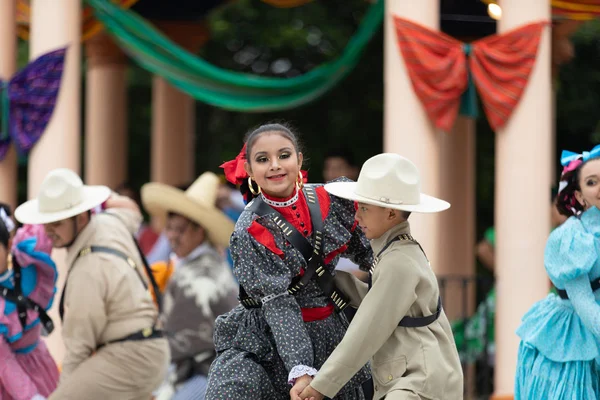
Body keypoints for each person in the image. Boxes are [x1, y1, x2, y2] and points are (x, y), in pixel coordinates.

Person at [206, 123, 373, 399]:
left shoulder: (333, 199)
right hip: (268, 339)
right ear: (249, 170)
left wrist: (399, 281)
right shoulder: (251, 228)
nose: (275, 165)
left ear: (299, 159)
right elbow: (278, 303)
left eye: (284, 155)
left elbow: (369, 251)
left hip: (330, 332)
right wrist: (301, 369)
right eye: (263, 159)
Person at [291, 153, 463, 400]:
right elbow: (385, 304)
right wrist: (329, 278)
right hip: (414, 376)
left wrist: (321, 387)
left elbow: (367, 330)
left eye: (364, 208)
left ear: (391, 214)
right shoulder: (397, 250)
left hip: (418, 383)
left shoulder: (398, 262)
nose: (356, 216)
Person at [14, 168, 169, 400]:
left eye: (56, 223)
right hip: (147, 349)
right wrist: (104, 202)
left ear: (82, 217)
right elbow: (132, 211)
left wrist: (63, 391)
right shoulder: (110, 222)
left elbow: (79, 348)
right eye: (46, 223)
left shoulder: (88, 269)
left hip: (130, 357)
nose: (49, 231)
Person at [141, 171, 239, 400]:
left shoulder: (199, 275)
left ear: (200, 231)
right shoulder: (198, 264)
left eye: (181, 230)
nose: (173, 236)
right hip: (199, 366)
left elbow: (183, 340)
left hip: (212, 371)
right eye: (170, 228)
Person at [514, 146, 600, 399]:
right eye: (591, 182)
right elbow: (583, 301)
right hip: (573, 337)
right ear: (579, 196)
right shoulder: (572, 238)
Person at [0, 216, 59, 400]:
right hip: (9, 382)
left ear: (9, 245)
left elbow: (45, 231)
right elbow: (4, 361)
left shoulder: (27, 262)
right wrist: (31, 396)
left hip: (40, 362)